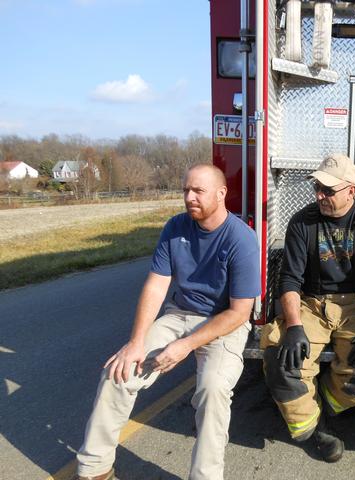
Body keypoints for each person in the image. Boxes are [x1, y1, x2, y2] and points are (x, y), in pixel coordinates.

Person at [74, 164, 260, 480]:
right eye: (185, 190)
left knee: (213, 390)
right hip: (178, 315)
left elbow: (240, 313)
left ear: (221, 193)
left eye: (198, 191)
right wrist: (135, 343)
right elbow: (156, 286)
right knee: (118, 373)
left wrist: (184, 347)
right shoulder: (175, 228)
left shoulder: (241, 238)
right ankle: (94, 468)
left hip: (223, 322)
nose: (189, 197)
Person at [260, 153, 355, 462]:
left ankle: (327, 402)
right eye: (317, 188)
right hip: (310, 303)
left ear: (351, 190)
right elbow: (289, 279)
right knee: (281, 360)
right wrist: (293, 326)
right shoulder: (302, 222)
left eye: (328, 190)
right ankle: (313, 428)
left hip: (354, 304)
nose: (320, 195)